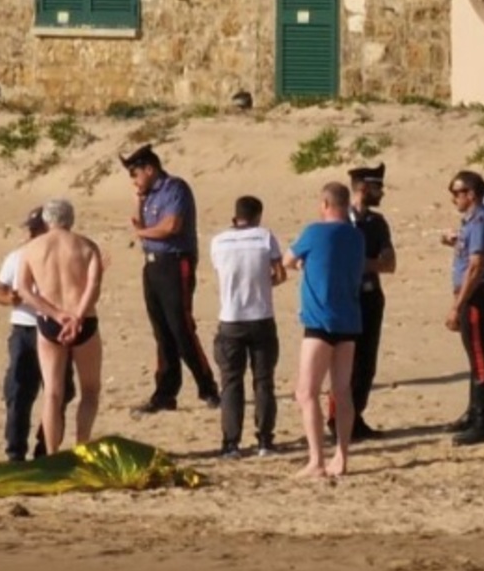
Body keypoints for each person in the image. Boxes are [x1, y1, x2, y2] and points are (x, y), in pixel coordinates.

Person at [121, 143, 220, 416]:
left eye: (136, 173)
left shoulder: (175, 188)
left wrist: (142, 233)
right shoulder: (149, 194)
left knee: (181, 327)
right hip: (153, 264)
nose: (134, 180)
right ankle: (165, 392)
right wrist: (139, 201)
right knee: (161, 330)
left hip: (176, 263)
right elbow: (138, 223)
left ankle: (207, 386)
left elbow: (170, 226)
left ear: (150, 169)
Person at [283, 182, 366, 478]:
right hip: (349, 320)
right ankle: (341, 456)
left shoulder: (316, 231)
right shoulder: (356, 237)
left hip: (321, 321)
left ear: (325, 204)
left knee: (306, 392)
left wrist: (305, 263)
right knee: (341, 392)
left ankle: (316, 459)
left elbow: (287, 260)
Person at [16, 199, 105, 455]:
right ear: (71, 219)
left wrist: (56, 314)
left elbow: (24, 289)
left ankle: (53, 452)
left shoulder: (32, 248)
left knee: (53, 393)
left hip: (50, 321)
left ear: (46, 220)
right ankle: (82, 445)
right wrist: (76, 316)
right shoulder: (86, 246)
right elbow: (93, 286)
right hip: (83, 319)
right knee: (89, 390)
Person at [0, 207, 75, 461]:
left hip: (52, 326)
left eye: (35, 228)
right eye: (29, 228)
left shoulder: (63, 253)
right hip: (24, 328)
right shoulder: (18, 256)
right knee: (18, 390)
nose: (30, 232)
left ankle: (45, 446)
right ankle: (15, 451)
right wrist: (10, 298)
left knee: (60, 391)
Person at [209, 195, 287, 459]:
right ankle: (265, 440)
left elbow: (220, 272)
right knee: (263, 381)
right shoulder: (265, 237)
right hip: (261, 316)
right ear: (257, 216)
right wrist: (264, 285)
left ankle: (231, 443)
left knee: (231, 383)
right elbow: (280, 274)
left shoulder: (218, 241)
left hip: (231, 318)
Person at [327, 162, 395, 441]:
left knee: (366, 362)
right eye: (377, 187)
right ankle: (336, 419)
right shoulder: (340, 221)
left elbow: (389, 263)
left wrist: (359, 264)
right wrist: (367, 263)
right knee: (344, 362)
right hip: (345, 299)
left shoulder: (377, 223)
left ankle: (356, 416)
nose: (382, 193)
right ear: (364, 188)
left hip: (370, 297)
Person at [441, 171, 484, 446]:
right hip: (476, 295)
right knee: (477, 356)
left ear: (472, 194)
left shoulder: (479, 220)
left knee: (480, 358)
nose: (454, 199)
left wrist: (458, 304)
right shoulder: (473, 222)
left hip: (477, 297)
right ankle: (477, 416)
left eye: (458, 193)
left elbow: (477, 266)